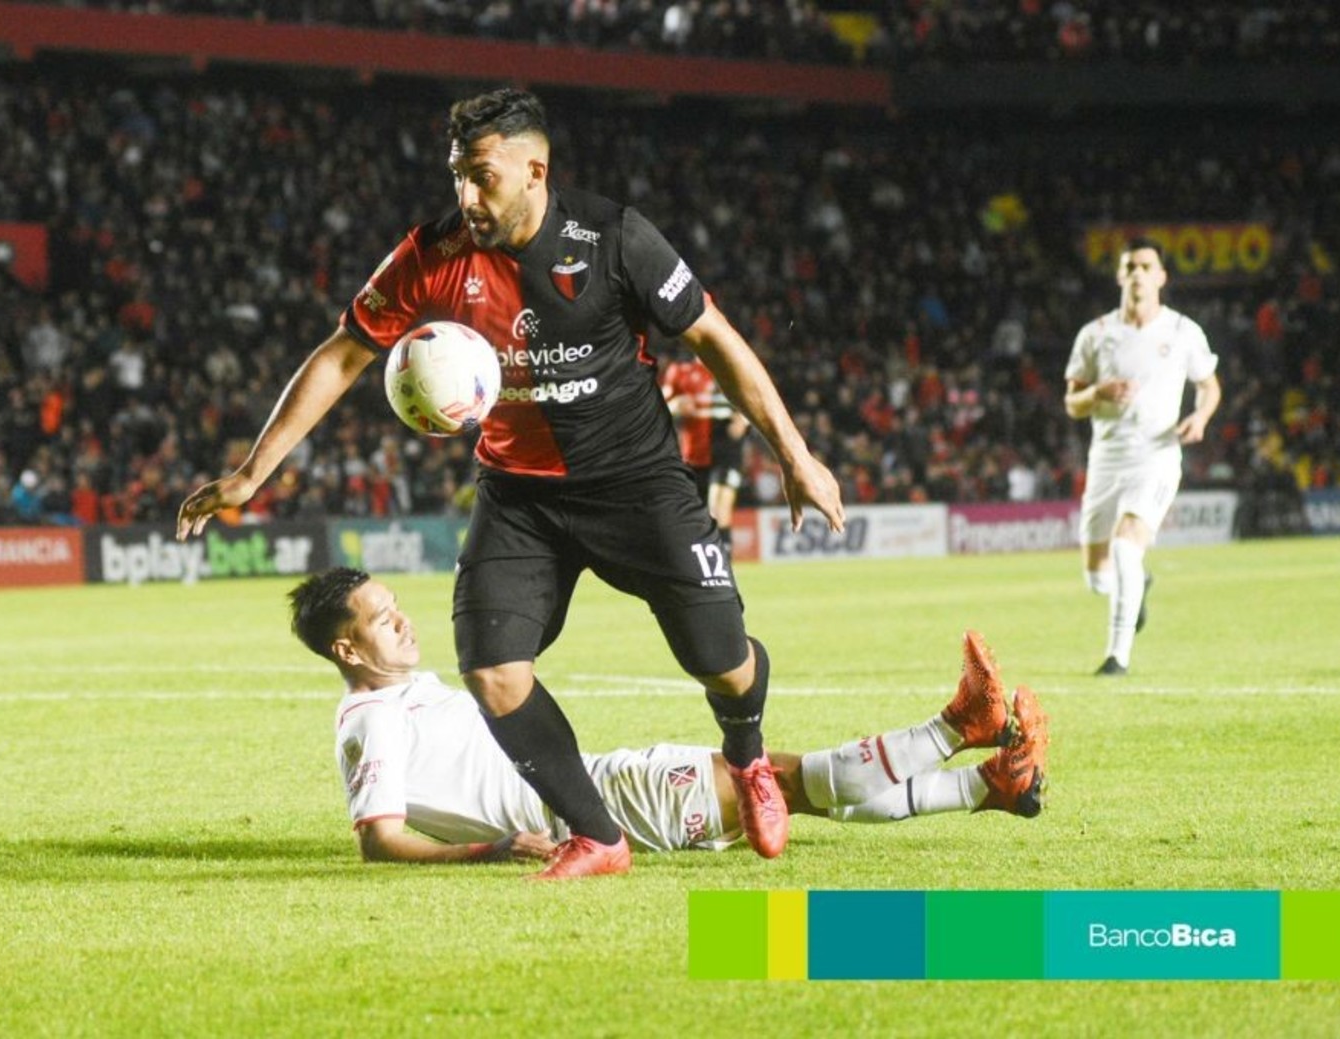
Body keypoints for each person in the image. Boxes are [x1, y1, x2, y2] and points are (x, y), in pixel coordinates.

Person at [177, 87, 845, 878]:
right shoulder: (431, 255)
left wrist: (794, 456)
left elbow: (714, 338)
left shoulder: (615, 237)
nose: (467, 196)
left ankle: (748, 756)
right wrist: (252, 472)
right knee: (493, 670)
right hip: (519, 495)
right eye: (458, 175)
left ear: (535, 170)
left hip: (636, 483)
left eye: (482, 176)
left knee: (720, 659)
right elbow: (344, 350)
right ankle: (597, 837)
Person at [294, 569, 1049, 865]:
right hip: (595, 808)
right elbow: (379, 840)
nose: (404, 622)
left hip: (596, 787)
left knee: (796, 792)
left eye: (396, 607)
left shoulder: (404, 689)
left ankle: (988, 786)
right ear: (345, 648)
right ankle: (958, 725)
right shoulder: (370, 717)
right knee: (781, 780)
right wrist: (489, 850)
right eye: (381, 620)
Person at [1064, 238, 1221, 676]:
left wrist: (1200, 416)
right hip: (1106, 460)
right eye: (1130, 266)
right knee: (1098, 578)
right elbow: (1072, 403)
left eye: (1146, 266)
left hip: (1156, 456)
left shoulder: (1183, 331)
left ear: (1161, 277)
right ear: (1120, 276)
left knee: (1125, 546)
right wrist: (1098, 392)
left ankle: (1117, 657)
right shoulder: (1095, 334)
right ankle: (1139, 583)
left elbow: (1209, 386)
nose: (1137, 273)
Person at [660, 352, 750, 555]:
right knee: (696, 518)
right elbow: (659, 407)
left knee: (718, 509)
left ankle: (724, 564)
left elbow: (753, 399)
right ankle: (702, 562)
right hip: (692, 455)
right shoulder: (679, 371)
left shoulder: (733, 368)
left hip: (726, 448)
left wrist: (743, 421)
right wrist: (675, 406)